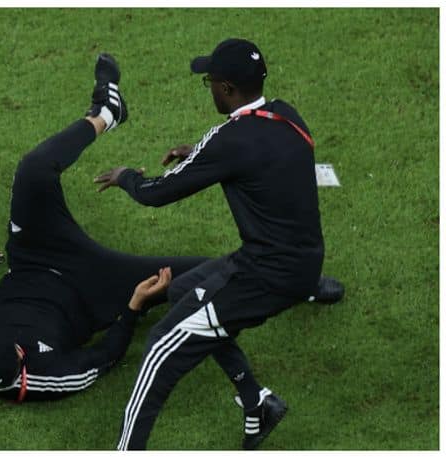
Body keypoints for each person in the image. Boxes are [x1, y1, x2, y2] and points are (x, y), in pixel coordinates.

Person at [0, 53, 341, 403]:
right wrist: (134, 308)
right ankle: (301, 283)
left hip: (34, 257)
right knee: (214, 271)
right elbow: (105, 355)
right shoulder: (53, 377)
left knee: (34, 169)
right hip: (96, 290)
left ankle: (105, 111)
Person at [94, 39, 344, 449]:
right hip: (303, 263)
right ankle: (257, 403)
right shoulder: (286, 114)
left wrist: (125, 176)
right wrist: (199, 154)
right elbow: (262, 158)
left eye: (210, 81)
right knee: (180, 291)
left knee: (159, 349)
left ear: (226, 89)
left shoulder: (229, 140)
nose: (208, 87)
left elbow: (156, 193)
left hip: (265, 275)